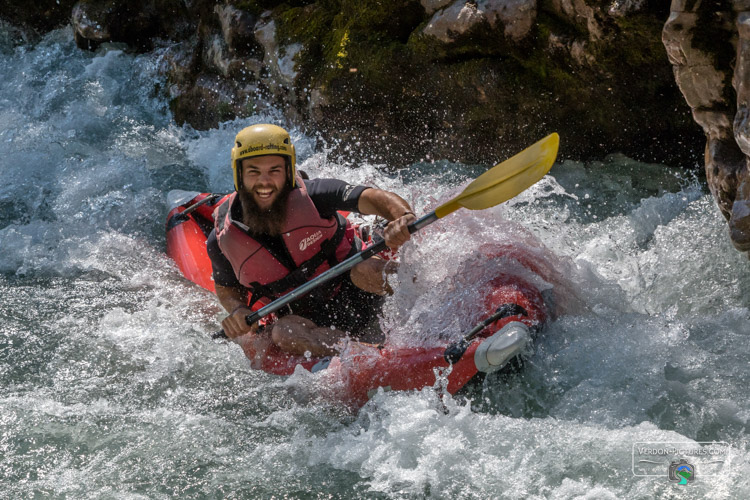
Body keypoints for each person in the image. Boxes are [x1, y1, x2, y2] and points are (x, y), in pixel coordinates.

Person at [206, 123, 416, 356]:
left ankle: (435, 305)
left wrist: (402, 217)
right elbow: (226, 286)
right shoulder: (221, 240)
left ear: (288, 172)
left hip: (357, 289)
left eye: (274, 170)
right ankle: (367, 356)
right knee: (283, 332)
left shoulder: (316, 195)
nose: (264, 182)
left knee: (365, 269)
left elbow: (373, 197)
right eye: (253, 172)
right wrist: (237, 309)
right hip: (306, 319)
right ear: (239, 175)